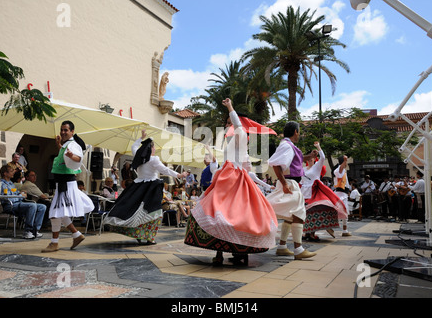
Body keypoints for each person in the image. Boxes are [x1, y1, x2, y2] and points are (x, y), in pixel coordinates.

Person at [184, 98, 278, 266]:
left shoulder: (241, 135)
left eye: (229, 122)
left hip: (234, 180)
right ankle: (225, 253)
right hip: (226, 178)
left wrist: (230, 108)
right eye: (226, 123)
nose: (227, 125)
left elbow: (240, 128)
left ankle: (236, 252)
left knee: (234, 216)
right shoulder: (233, 140)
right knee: (221, 214)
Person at [104, 130, 188, 244]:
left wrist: (141, 138)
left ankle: (139, 233)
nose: (154, 150)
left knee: (137, 210)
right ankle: (149, 238)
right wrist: (179, 175)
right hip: (151, 188)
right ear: (151, 149)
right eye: (153, 148)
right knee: (154, 213)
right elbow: (165, 170)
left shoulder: (138, 157)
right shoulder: (153, 160)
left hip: (138, 186)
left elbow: (134, 146)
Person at [266, 121, 318, 260]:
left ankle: (282, 247)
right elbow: (276, 164)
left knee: (291, 216)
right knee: (298, 214)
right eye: (299, 131)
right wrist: (284, 183)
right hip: (290, 183)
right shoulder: (287, 146)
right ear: (296, 131)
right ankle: (298, 249)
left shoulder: (288, 146)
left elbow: (295, 160)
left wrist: (309, 157)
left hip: (289, 183)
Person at [41, 121, 94, 253]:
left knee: (55, 213)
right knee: (60, 212)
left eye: (66, 130)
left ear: (72, 132)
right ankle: (76, 235)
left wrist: (72, 156)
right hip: (63, 184)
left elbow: (78, 158)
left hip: (66, 185)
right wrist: (58, 145)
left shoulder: (73, 144)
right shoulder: (66, 145)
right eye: (62, 129)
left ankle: (55, 243)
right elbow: (65, 156)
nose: (63, 132)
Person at [300, 142, 348, 241]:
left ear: (314, 158)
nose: (310, 159)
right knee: (304, 213)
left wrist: (318, 147)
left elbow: (322, 157)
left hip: (315, 192)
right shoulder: (303, 169)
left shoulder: (317, 166)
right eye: (308, 158)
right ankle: (306, 233)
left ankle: (312, 233)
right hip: (304, 192)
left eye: (312, 157)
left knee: (313, 211)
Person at [0, 165, 46, 239]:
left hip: (18, 203)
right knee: (32, 205)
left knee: (42, 207)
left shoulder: (11, 183)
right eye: (11, 171)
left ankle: (35, 230)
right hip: (10, 205)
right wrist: (21, 196)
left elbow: (17, 194)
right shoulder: (2, 184)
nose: (13, 173)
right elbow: (8, 198)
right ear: (5, 173)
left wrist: (21, 194)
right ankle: (27, 231)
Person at [333, 155, 353, 237]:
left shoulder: (343, 170)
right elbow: (340, 169)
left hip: (343, 193)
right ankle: (331, 227)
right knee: (339, 212)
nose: (346, 163)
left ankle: (345, 230)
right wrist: (344, 161)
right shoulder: (338, 170)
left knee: (344, 213)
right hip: (340, 194)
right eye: (346, 161)